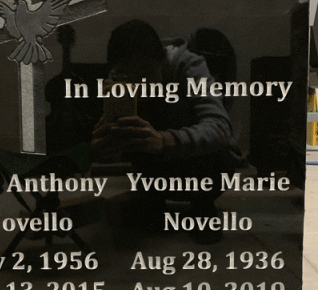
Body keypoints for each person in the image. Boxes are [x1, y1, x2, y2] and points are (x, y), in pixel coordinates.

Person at [91, 20, 243, 243]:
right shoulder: (118, 79)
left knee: (173, 105)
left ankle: (202, 205)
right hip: (162, 174)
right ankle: (153, 200)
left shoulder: (187, 64)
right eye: (128, 75)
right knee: (131, 120)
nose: (139, 82)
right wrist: (104, 144)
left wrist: (163, 141)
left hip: (212, 172)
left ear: (163, 58)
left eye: (145, 71)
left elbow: (220, 128)